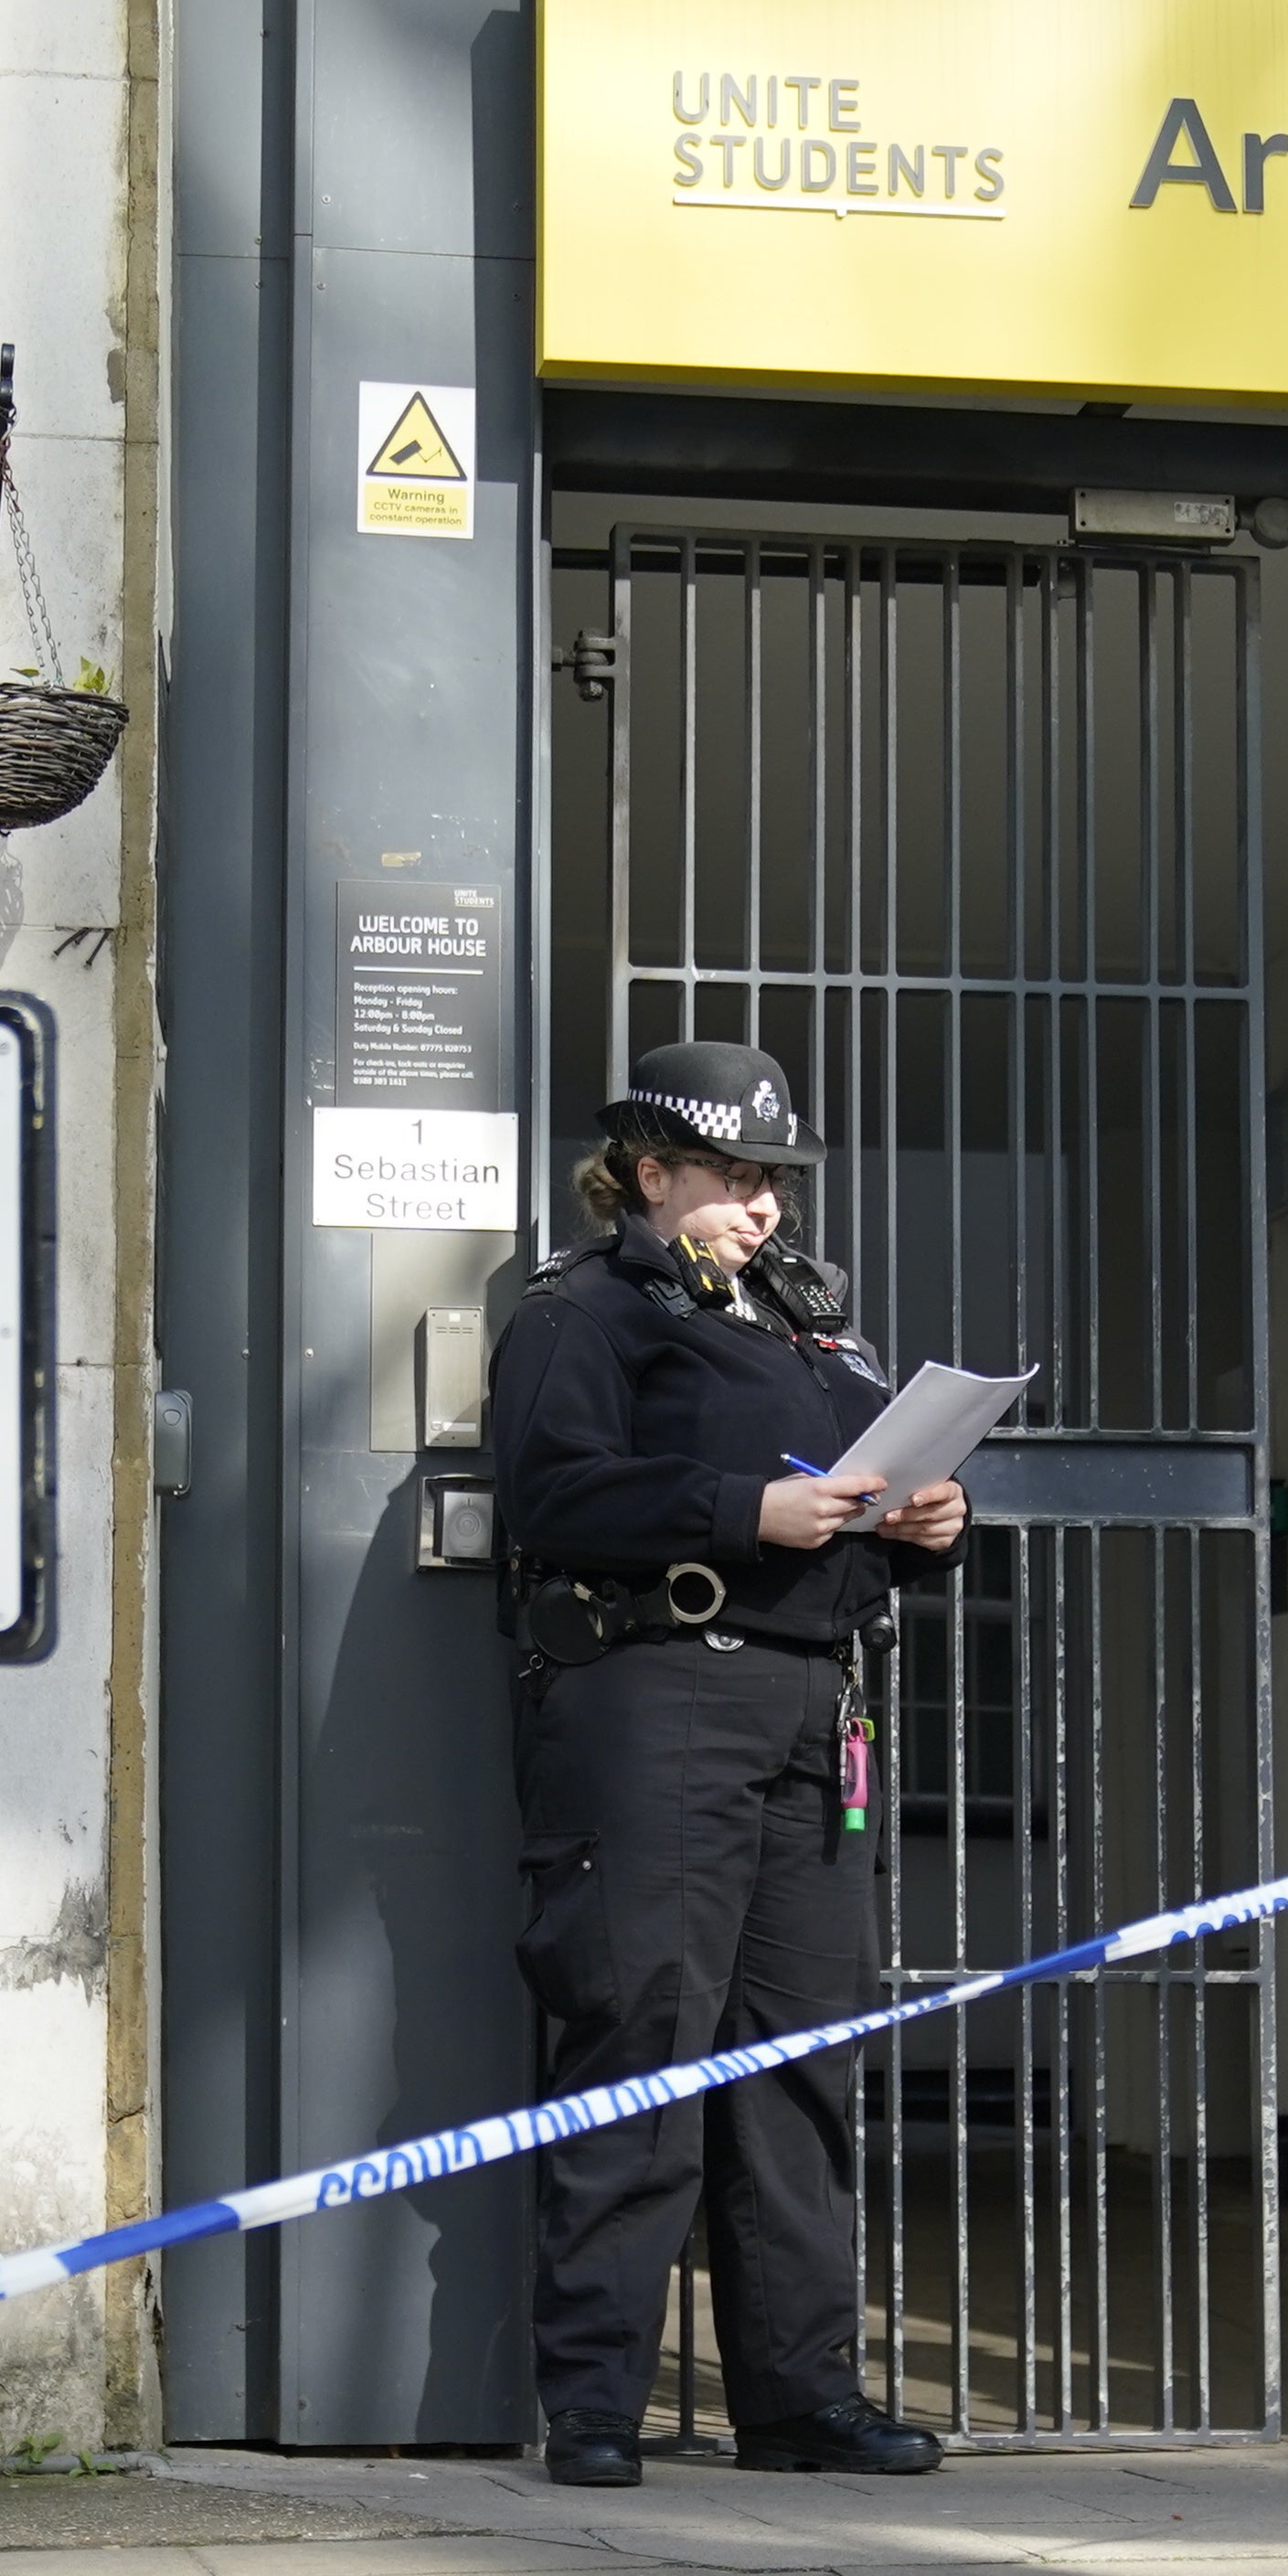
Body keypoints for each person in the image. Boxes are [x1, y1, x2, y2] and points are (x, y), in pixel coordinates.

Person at [487, 1040, 969, 2490]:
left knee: (800, 2064)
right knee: (642, 2039)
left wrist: (927, 1524)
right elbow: (550, 1488)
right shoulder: (587, 1316)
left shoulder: (808, 1331)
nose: (762, 1206)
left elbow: (856, 1492)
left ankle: (799, 2397)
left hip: (815, 1709)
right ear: (648, 1174)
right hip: (657, 1700)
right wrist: (738, 1508)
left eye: (772, 1181)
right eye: (733, 1178)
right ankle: (593, 2402)